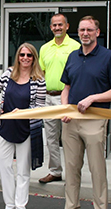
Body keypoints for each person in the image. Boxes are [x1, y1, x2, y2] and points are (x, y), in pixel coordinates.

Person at [60, 16, 111, 209]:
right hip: (71, 121)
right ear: (77, 32)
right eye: (82, 30)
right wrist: (64, 108)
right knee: (71, 169)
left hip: (95, 120)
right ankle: (71, 207)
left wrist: (92, 98)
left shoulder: (108, 57)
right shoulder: (72, 56)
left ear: (97, 32)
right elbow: (66, 88)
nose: (85, 33)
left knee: (97, 170)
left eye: (89, 30)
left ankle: (100, 208)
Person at [0, 43, 46, 209]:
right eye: (22, 55)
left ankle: (20, 204)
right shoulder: (8, 73)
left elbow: (41, 107)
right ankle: (9, 204)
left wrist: (23, 112)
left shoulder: (39, 80)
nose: (25, 58)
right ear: (18, 56)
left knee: (23, 170)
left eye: (29, 55)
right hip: (6, 128)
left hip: (26, 129)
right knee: (4, 166)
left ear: (34, 58)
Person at [37, 13, 80, 184]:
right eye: (54, 25)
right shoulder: (45, 48)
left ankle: (72, 173)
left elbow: (78, 75)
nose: (57, 28)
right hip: (48, 98)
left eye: (60, 25)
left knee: (69, 138)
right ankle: (55, 171)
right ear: (51, 27)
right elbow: (42, 73)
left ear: (67, 26)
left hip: (67, 99)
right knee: (51, 138)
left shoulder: (75, 47)